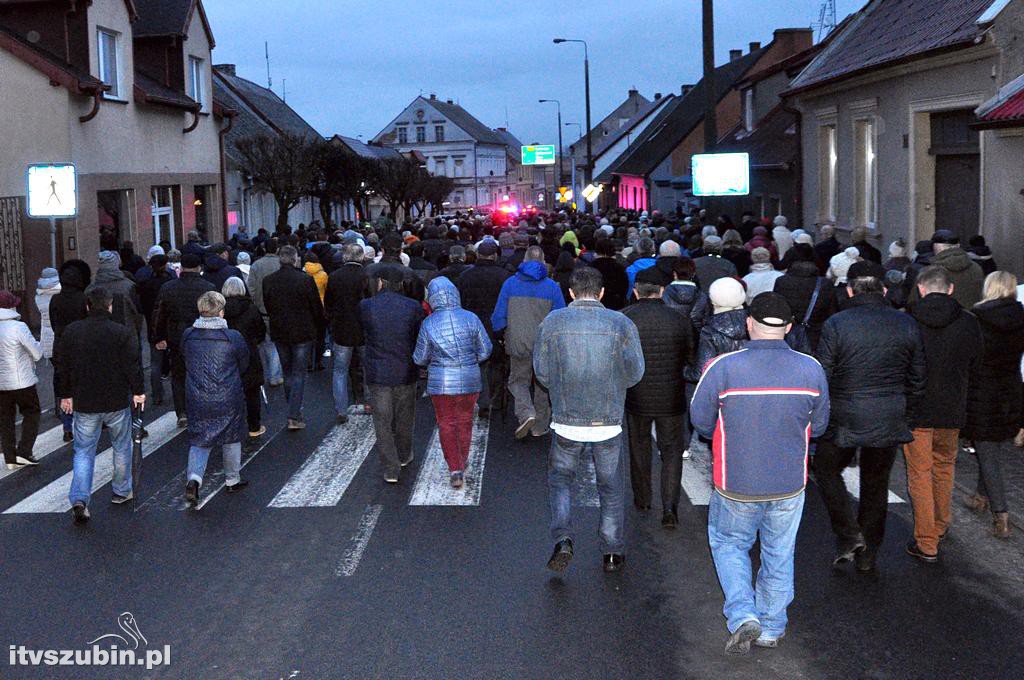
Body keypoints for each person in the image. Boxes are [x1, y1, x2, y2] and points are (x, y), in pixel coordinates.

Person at [690, 292, 830, 654]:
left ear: (749, 323)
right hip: (788, 482)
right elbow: (820, 425)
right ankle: (771, 626)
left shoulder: (723, 367)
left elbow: (701, 421)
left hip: (736, 481)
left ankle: (742, 614)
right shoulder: (811, 368)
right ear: (788, 328)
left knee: (730, 545)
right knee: (779, 552)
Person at [814, 261, 926, 573]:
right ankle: (869, 553)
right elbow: (918, 378)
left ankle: (849, 533)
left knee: (825, 469)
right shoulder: (906, 323)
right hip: (890, 413)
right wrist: (908, 415)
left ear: (849, 289)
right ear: (885, 289)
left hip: (844, 413)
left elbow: (822, 374)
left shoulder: (836, 324)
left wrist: (819, 414)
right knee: (876, 482)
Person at [535, 266, 644, 574]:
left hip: (567, 420)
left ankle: (564, 539)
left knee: (561, 481)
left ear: (570, 292)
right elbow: (635, 372)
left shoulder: (553, 322)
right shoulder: (621, 323)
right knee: (610, 487)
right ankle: (612, 551)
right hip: (607, 421)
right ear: (602, 292)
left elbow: (542, 371)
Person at [903, 266, 983, 561]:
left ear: (922, 289)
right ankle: (940, 524)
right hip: (952, 407)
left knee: (919, 474)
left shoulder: (908, 320)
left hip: (918, 410)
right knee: (944, 467)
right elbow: (977, 366)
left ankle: (926, 541)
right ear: (951, 289)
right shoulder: (969, 322)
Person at [55, 287, 145, 522]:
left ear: (87, 306)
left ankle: (80, 498)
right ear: (109, 306)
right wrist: (138, 391)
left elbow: (62, 365)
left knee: (84, 451)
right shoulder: (120, 332)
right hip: (115, 399)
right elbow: (132, 365)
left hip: (84, 401)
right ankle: (121, 491)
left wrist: (65, 395)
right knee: (121, 446)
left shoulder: (72, 332)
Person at [622, 267, 693, 528]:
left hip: (636, 394)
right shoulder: (679, 319)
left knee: (639, 448)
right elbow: (690, 357)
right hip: (671, 396)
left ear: (636, 291)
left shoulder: (624, 318)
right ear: (663, 291)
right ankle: (670, 508)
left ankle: (642, 498)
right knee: (672, 451)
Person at [413, 277, 492, 488]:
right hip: (469, 379)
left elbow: (419, 358)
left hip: (441, 383)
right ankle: (463, 458)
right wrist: (469, 361)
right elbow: (485, 350)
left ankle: (455, 469)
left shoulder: (428, 323)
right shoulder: (471, 318)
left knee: (446, 423)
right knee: (465, 420)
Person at [962, 271, 1024, 539]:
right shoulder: (1021, 318)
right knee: (991, 447)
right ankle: (979, 496)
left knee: (987, 453)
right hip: (1011, 390)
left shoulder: (976, 319)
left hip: (983, 391)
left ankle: (1001, 515)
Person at [181, 292, 250, 506]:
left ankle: (193, 479)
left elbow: (184, 358)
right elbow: (244, 363)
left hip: (197, 394)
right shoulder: (232, 337)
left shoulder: (188, 335)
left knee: (200, 438)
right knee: (231, 436)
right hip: (227, 395)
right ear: (221, 311)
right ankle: (232, 479)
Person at [491, 246, 565, 440]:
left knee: (518, 381)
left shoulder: (510, 284)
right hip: (544, 344)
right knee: (542, 384)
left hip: (517, 340)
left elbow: (499, 315)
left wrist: (500, 331)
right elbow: (561, 317)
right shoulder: (552, 287)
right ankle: (540, 426)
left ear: (523, 260)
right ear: (543, 262)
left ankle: (526, 413)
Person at [361, 268, 426, 483]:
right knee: (405, 417)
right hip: (406, 369)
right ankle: (404, 454)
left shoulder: (367, 306)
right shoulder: (413, 307)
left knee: (382, 420)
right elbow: (419, 336)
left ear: (380, 281)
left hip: (378, 371)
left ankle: (391, 467)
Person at [262, 245, 324, 430]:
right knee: (298, 373)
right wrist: (319, 326)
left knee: (288, 372)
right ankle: (293, 414)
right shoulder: (305, 280)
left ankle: (293, 409)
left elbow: (268, 305)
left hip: (280, 330)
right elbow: (315, 307)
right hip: (303, 331)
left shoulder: (268, 281)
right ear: (295, 259)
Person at [153, 253, 215, 428]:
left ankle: (182, 412)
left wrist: (159, 336)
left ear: (181, 268)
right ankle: (202, 408)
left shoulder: (169, 287)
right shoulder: (208, 287)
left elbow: (160, 314)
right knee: (203, 373)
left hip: (177, 337)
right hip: (203, 336)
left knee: (179, 376)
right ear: (199, 268)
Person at [455, 240, 510, 417]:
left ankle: (480, 399)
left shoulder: (465, 276)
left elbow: (459, 302)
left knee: (476, 364)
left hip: (471, 324)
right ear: (495, 255)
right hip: (496, 326)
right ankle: (494, 399)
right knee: (496, 364)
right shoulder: (505, 276)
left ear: (478, 255)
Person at [324, 244, 369, 424]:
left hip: (341, 329)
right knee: (367, 367)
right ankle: (368, 402)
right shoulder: (366, 276)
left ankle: (341, 409)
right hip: (364, 328)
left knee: (340, 371)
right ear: (361, 257)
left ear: (344, 257)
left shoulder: (334, 277)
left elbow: (328, 304)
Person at [49, 260, 91, 440]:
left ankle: (67, 426)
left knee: (63, 383)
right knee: (82, 383)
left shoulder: (55, 299)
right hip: (81, 344)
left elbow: (53, 322)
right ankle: (83, 423)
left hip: (60, 344)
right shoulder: (83, 298)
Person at [0, 291, 43, 470]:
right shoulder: (19, 327)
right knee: (32, 412)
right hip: (22, 382)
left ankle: (10, 457)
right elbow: (37, 354)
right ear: (11, 306)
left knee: (5, 419)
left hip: (1, 384)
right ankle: (24, 451)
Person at [222, 277, 267, 439]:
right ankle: (254, 426)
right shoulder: (251, 308)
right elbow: (260, 331)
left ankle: (230, 425)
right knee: (252, 391)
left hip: (224, 353)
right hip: (248, 352)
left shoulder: (220, 309)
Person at [686, 277, 748, 383]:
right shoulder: (755, 323)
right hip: (752, 386)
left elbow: (701, 373)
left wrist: (684, 370)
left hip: (723, 389)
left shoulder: (710, 330)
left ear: (713, 300)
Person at [773, 253, 833, 352]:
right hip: (816, 335)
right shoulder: (825, 284)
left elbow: (777, 308)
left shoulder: (781, 281)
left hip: (788, 333)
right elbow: (831, 311)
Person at [913, 230, 985, 309]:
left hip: (937, 317)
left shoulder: (929, 271)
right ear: (958, 245)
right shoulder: (977, 268)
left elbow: (913, 301)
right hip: (970, 317)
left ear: (936, 246)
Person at [137, 254, 174, 405]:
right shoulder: (170, 283)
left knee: (155, 363)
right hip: (170, 326)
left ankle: (157, 395)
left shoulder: (146, 285)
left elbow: (141, 306)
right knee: (176, 361)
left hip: (153, 326)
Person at [248, 239, 284, 387]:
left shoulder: (256, 265)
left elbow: (251, 288)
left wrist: (256, 302)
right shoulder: (282, 264)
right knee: (276, 344)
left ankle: (265, 373)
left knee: (264, 344)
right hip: (280, 309)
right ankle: (275, 375)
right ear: (277, 249)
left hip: (261, 310)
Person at [87, 250, 142, 336]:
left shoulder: (90, 289)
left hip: (97, 336)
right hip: (126, 335)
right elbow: (137, 313)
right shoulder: (128, 286)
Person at [591, 239, 629, 310]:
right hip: (615, 306)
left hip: (595, 306)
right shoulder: (619, 268)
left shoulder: (590, 267)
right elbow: (624, 287)